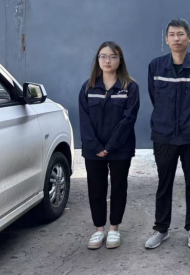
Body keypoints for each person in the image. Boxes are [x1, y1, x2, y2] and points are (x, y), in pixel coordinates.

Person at [144, 19, 190, 250]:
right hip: (163, 135)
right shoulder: (155, 67)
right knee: (164, 183)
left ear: (189, 38)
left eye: (181, 34)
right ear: (166, 39)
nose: (177, 38)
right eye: (172, 34)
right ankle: (161, 229)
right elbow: (155, 97)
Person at [79, 41, 140, 250]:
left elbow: (129, 119)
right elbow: (84, 120)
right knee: (96, 189)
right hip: (93, 149)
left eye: (113, 56)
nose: (108, 61)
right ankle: (99, 229)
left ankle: (114, 228)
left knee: (119, 187)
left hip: (120, 148)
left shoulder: (129, 87)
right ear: (98, 60)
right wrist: (96, 146)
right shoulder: (88, 87)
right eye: (103, 56)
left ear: (120, 60)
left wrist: (111, 146)